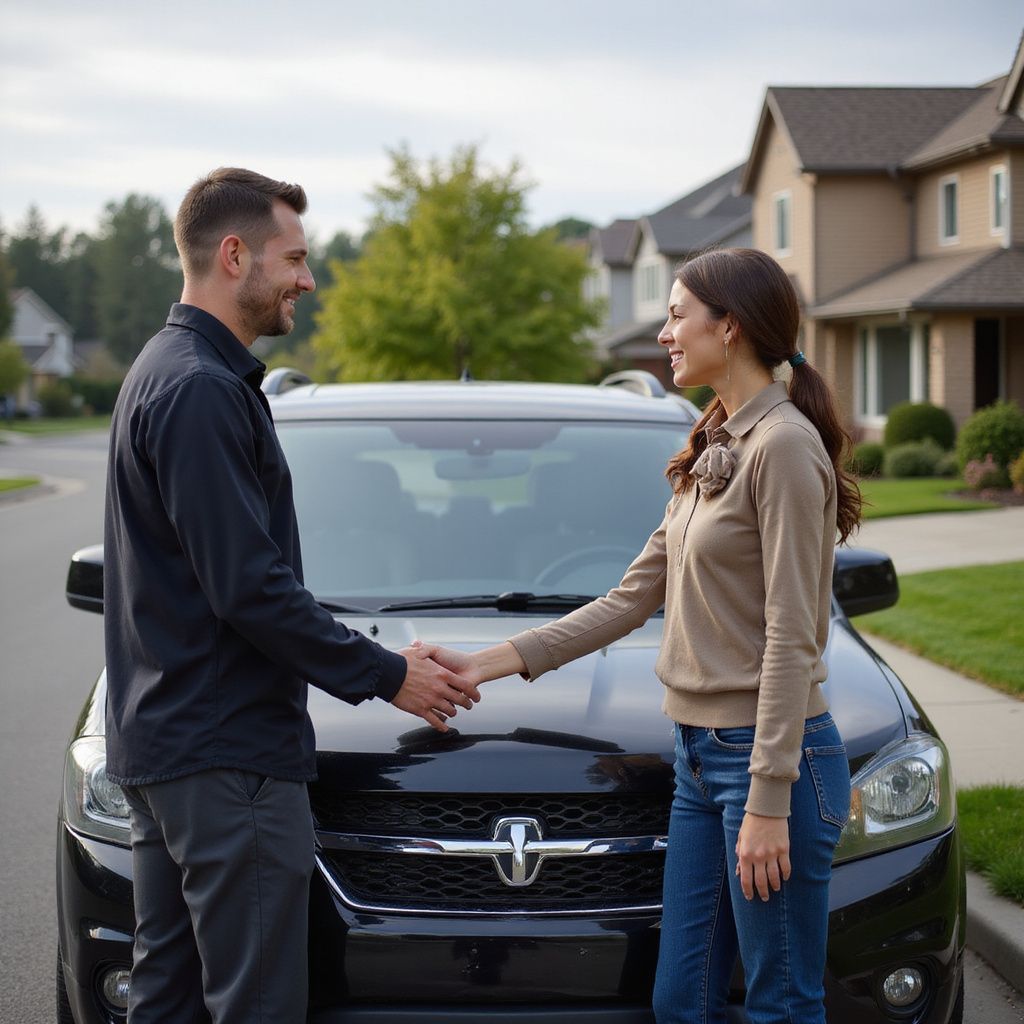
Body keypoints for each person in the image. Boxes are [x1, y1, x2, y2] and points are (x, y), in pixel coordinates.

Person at [415, 247, 860, 1024]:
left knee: (782, 1002)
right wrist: (481, 665)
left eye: (678, 314)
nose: (664, 333)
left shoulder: (784, 447)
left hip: (768, 762)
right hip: (696, 757)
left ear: (732, 326)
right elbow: (628, 599)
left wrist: (766, 798)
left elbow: (795, 633)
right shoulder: (715, 440)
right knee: (680, 1001)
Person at [103, 167, 480, 1024]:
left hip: (172, 746)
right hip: (227, 758)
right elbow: (249, 587)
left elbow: (225, 580)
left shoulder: (170, 371)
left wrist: (380, 656)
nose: (308, 280)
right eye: (296, 259)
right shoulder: (199, 389)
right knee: (257, 1003)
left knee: (170, 998)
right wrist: (388, 676)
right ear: (235, 256)